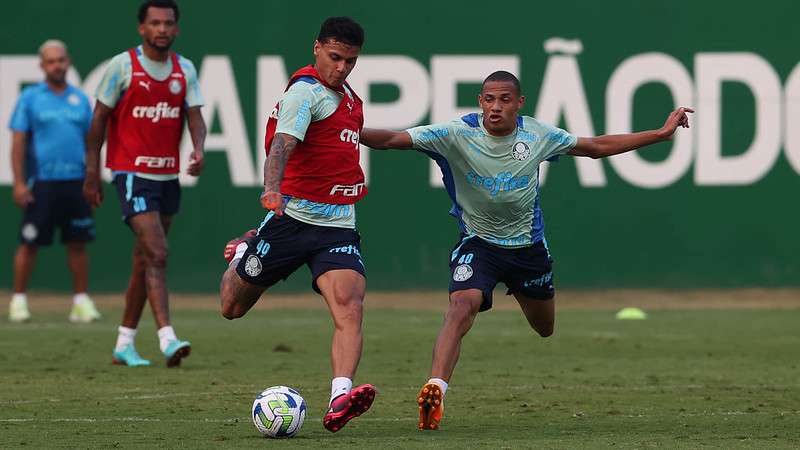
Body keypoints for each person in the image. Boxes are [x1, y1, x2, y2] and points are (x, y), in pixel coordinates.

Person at [359, 70, 693, 430]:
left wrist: (660, 135)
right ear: (480, 102)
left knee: (544, 327)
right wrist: (345, 130)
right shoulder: (455, 134)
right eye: (489, 99)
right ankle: (435, 388)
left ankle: (514, 307)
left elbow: (595, 148)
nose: (496, 107)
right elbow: (391, 138)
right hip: (479, 245)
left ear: (519, 103)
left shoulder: (538, 135)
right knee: (461, 306)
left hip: (528, 250)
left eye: (505, 99)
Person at [219, 17, 376, 433]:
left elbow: (353, 136)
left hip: (338, 224)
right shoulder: (304, 94)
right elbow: (282, 146)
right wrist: (272, 190)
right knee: (232, 307)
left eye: (350, 61)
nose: (341, 67)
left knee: (350, 305)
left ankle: (340, 396)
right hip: (291, 221)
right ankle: (241, 253)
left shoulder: (348, 100)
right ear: (317, 48)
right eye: (335, 57)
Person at [83, 0, 206, 367]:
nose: (162, 29)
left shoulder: (184, 69)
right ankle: (167, 337)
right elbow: (98, 123)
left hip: (167, 176)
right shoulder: (122, 66)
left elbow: (196, 117)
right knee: (158, 251)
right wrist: (92, 173)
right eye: (155, 23)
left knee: (144, 260)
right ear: (142, 28)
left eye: (168, 23)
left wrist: (198, 149)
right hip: (131, 173)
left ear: (177, 28)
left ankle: (124, 343)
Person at [7, 40, 101, 324]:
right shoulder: (30, 98)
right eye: (51, 61)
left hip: (76, 182)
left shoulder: (80, 99)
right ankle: (19, 301)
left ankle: (81, 302)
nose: (56, 65)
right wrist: (20, 183)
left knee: (77, 242)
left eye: (60, 60)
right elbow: (18, 142)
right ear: (42, 65)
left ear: (68, 61)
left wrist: (93, 177)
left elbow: (91, 142)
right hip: (43, 183)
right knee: (29, 243)